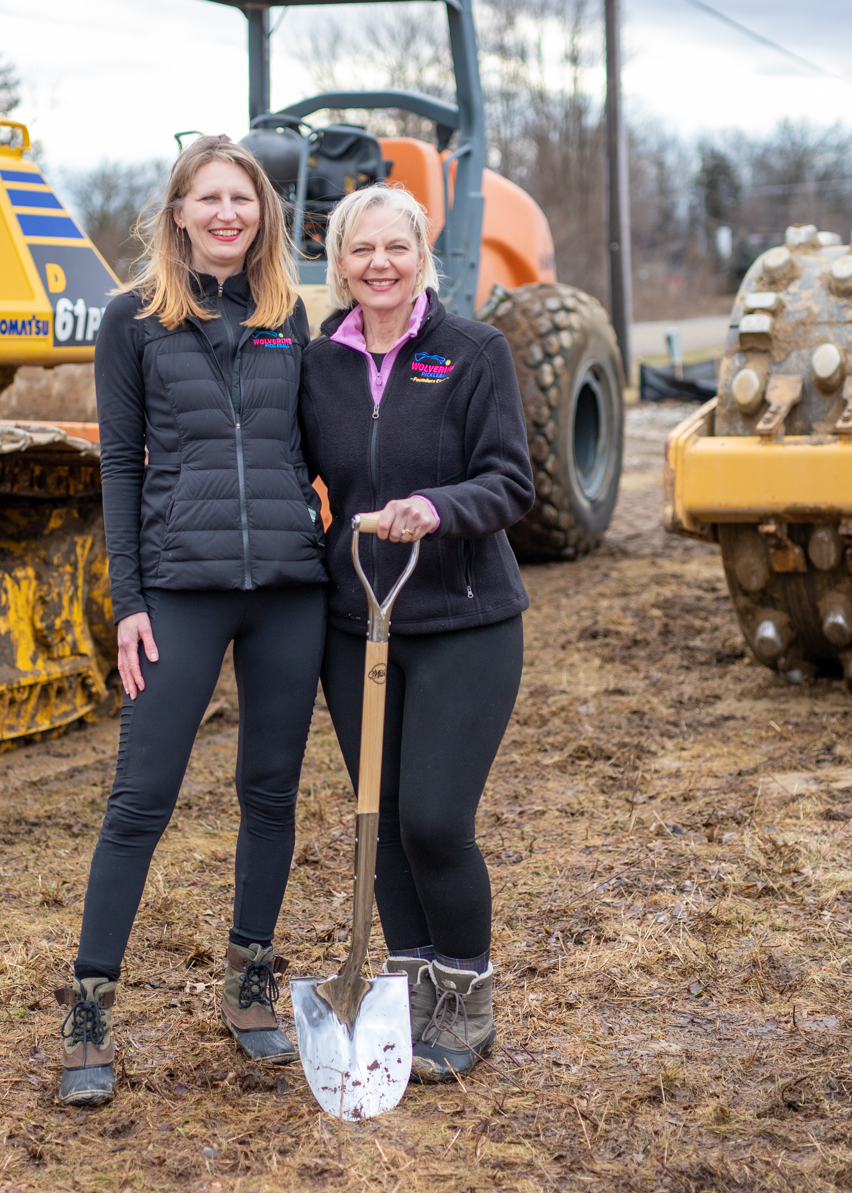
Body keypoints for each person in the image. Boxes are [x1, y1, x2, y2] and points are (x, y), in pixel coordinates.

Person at [56, 136, 328, 1107]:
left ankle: (249, 979)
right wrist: (127, 602)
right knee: (140, 798)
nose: (225, 213)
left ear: (262, 214)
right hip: (180, 588)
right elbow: (117, 466)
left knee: (270, 792)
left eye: (241, 199)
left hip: (289, 592)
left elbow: (326, 442)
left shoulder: (289, 315)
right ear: (176, 212)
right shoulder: (132, 321)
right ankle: (89, 1006)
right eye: (207, 198)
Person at [300, 184, 535, 1082]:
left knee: (434, 819)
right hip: (356, 619)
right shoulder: (320, 362)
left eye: (395, 248)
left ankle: (467, 995)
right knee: (380, 823)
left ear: (421, 253)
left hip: (462, 618)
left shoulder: (472, 351)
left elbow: (510, 481)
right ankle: (409, 995)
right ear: (339, 263)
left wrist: (435, 508)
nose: (379, 266)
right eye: (361, 251)